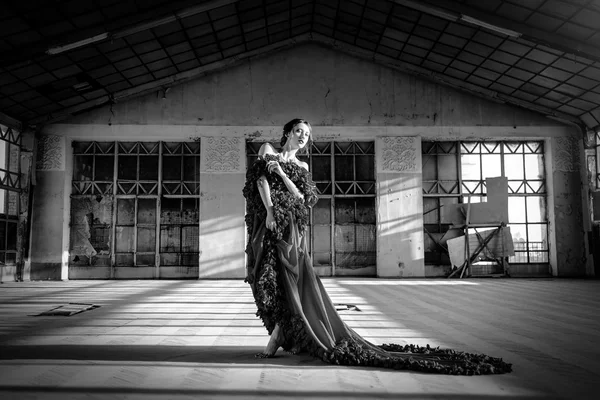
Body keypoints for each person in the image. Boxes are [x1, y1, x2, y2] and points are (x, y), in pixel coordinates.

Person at [242, 118, 512, 375]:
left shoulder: (302, 167)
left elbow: (303, 197)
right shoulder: (267, 150)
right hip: (267, 221)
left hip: (291, 226)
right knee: (267, 277)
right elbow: (260, 180)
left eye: (308, 135)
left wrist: (282, 174)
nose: (304, 137)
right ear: (288, 132)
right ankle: (279, 332)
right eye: (300, 131)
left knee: (289, 277)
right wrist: (268, 210)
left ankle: (277, 336)